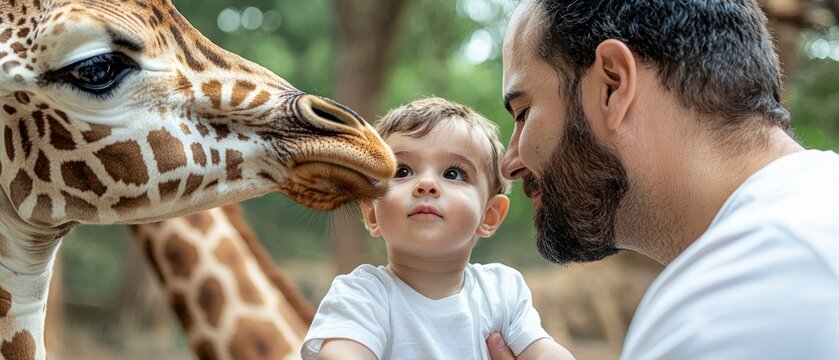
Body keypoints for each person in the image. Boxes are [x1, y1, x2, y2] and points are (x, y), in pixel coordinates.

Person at [487, 0, 839, 359]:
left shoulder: (727, 307)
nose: (510, 164)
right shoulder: (815, 221)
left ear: (613, 83)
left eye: (524, 113)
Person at [301, 97, 575, 360]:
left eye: (453, 174)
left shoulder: (502, 292)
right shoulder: (362, 295)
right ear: (372, 212)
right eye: (403, 171)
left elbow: (541, 351)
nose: (427, 184)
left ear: (488, 216)